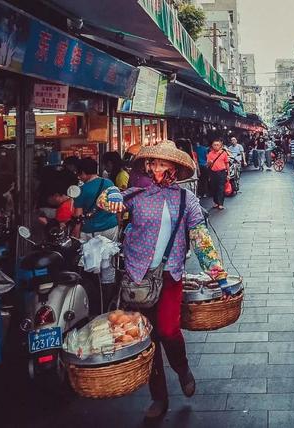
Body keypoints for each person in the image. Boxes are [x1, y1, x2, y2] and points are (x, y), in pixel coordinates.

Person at [96, 140, 228, 421]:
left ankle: (182, 368)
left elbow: (201, 238)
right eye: (153, 163)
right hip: (137, 277)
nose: (157, 168)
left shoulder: (185, 199)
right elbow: (107, 204)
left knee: (168, 330)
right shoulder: (135, 195)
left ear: (175, 168)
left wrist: (217, 274)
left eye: (163, 164)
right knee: (148, 337)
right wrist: (110, 197)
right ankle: (159, 397)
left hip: (170, 276)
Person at [71, 158, 119, 285]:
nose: (79, 177)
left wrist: (75, 234)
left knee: (92, 261)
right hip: (111, 227)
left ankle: (94, 289)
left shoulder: (82, 190)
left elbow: (78, 216)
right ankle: (108, 288)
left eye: (79, 174)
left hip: (92, 231)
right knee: (108, 260)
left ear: (83, 172)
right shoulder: (109, 183)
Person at [207, 139, 229, 210]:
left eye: (217, 145)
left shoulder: (224, 153)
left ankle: (220, 203)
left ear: (220, 146)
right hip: (213, 173)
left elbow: (227, 163)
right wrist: (210, 162)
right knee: (214, 188)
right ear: (212, 146)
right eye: (214, 145)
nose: (216, 146)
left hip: (222, 172)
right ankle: (216, 202)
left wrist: (228, 174)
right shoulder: (210, 154)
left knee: (221, 188)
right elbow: (208, 164)